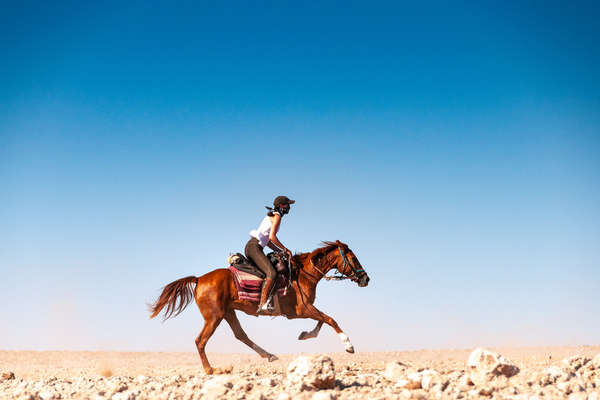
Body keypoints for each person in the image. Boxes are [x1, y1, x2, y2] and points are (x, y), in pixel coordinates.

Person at [245, 195, 295, 313]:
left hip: (254, 246)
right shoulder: (277, 216)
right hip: (254, 247)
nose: (289, 207)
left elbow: (267, 241)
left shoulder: (273, 215)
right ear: (282, 206)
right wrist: (285, 249)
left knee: (268, 271)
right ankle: (263, 303)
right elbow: (272, 237)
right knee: (272, 273)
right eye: (288, 205)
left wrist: (279, 250)